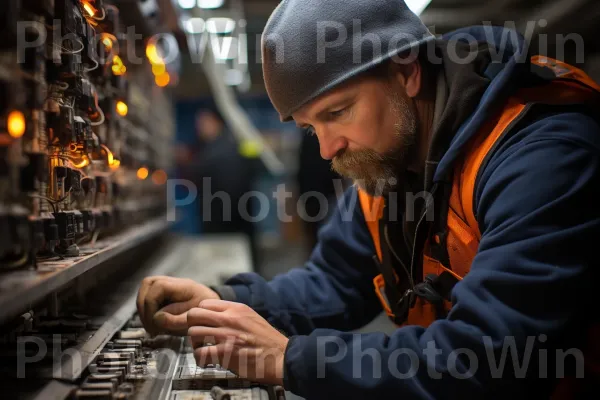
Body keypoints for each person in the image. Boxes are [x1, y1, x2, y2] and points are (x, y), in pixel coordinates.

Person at [137, 1, 600, 398]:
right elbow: (334, 282)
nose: (326, 148)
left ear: (408, 72)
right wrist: (225, 302)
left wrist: (292, 358)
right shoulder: (389, 166)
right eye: (310, 128)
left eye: (337, 113)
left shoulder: (542, 158)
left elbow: (489, 355)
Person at [181, 108, 260, 267]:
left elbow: (194, 180)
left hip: (221, 224)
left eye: (203, 123)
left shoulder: (213, 152)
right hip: (240, 222)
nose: (199, 127)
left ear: (216, 123)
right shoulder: (233, 145)